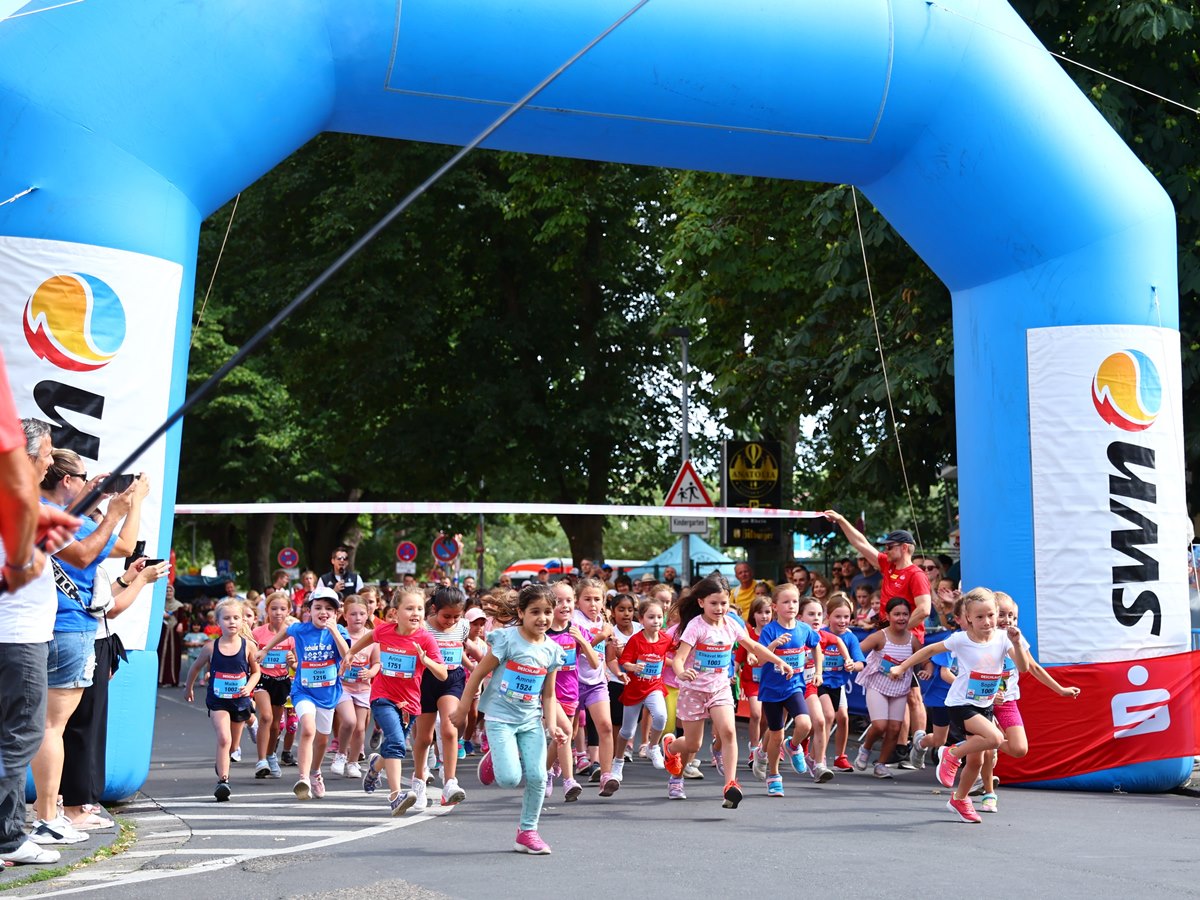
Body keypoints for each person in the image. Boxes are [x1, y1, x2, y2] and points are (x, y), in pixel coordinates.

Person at [30, 451, 145, 845]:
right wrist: (123, 508)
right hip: (68, 628)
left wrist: (96, 502)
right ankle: (49, 815)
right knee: (51, 727)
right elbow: (89, 553)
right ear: (65, 481)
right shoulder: (57, 517)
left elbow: (108, 546)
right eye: (81, 478)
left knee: (38, 725)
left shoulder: (49, 511)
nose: (86, 483)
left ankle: (45, 811)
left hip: (44, 628)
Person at [0, 417, 79, 867]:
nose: (50, 461)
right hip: (17, 640)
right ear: (27, 455)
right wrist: (119, 508)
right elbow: (86, 553)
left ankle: (8, 836)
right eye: (47, 453)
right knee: (22, 736)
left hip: (19, 636)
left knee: (9, 736)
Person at [888, 587, 1029, 823]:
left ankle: (960, 799)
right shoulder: (961, 640)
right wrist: (902, 667)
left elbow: (1023, 668)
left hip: (985, 704)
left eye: (991, 615)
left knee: (977, 760)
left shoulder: (1004, 638)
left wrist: (1015, 643)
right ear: (969, 619)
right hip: (961, 703)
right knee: (994, 739)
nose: (987, 621)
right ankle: (951, 753)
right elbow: (930, 649)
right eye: (980, 617)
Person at [450, 583, 567, 855]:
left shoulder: (551, 650)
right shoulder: (507, 640)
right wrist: (463, 708)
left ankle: (527, 832)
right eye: (535, 611)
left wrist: (552, 726)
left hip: (530, 720)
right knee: (509, 779)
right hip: (500, 718)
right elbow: (478, 674)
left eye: (548, 612)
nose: (543, 618)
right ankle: (494, 759)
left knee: (538, 776)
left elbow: (548, 696)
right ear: (521, 612)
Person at [660, 576, 793, 808]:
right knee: (692, 745)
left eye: (723, 603)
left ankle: (731, 785)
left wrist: (777, 661)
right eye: (714, 603)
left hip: (720, 688)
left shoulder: (732, 624)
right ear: (701, 603)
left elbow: (754, 646)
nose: (720, 608)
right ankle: (672, 754)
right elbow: (679, 658)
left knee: (729, 733)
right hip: (693, 690)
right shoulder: (695, 627)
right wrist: (681, 673)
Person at [825, 510, 930, 759]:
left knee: (912, 694)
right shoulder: (889, 566)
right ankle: (901, 746)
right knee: (900, 691)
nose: (886, 550)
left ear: (905, 548)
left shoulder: (916, 575)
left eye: (890, 546)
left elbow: (925, 609)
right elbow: (861, 543)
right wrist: (841, 520)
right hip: (887, 636)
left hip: (907, 639)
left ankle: (918, 744)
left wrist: (898, 630)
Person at [972, 591, 1079, 811]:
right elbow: (968, 675)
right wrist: (988, 694)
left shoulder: (1016, 640)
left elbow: (1033, 668)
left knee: (1019, 748)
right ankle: (988, 793)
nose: (1007, 620)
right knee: (989, 750)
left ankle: (974, 746)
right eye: (1001, 614)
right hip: (984, 703)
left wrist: (1060, 690)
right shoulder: (981, 640)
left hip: (1008, 702)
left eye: (1012, 616)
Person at [350, 589, 446, 815]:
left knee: (394, 745)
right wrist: (350, 653)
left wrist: (426, 661)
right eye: (410, 608)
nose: (416, 613)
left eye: (420, 609)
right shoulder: (384, 630)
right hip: (382, 697)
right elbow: (368, 637)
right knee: (395, 742)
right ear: (395, 612)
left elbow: (442, 673)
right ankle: (395, 795)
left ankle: (375, 766)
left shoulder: (425, 638)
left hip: (409, 705)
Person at [257, 586, 350, 800]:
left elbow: (347, 655)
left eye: (328, 608)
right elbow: (285, 632)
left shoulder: (340, 632)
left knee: (322, 740)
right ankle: (303, 779)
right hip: (303, 690)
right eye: (318, 607)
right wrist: (265, 649)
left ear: (336, 613)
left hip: (328, 694)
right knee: (308, 729)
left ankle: (315, 772)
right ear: (309, 610)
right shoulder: (301, 629)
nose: (323, 612)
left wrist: (334, 630)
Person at [185, 598, 260, 800]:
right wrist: (189, 687)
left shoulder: (248, 647)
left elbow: (256, 672)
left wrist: (249, 687)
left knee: (233, 746)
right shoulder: (210, 648)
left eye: (236, 618)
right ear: (218, 622)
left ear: (243, 621)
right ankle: (223, 782)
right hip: (218, 700)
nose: (232, 622)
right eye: (226, 618)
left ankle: (223, 762)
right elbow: (195, 668)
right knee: (223, 738)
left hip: (240, 701)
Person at [410, 586, 474, 808]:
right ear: (434, 609)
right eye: (447, 616)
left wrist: (478, 664)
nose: (451, 621)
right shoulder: (423, 627)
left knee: (449, 728)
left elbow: (462, 649)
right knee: (425, 738)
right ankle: (418, 780)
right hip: (427, 680)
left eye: (457, 616)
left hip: (452, 679)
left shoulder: (463, 627)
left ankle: (450, 783)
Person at [751, 584, 818, 797]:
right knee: (775, 735)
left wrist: (819, 671)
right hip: (771, 690)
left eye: (795, 601)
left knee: (805, 723)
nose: (791, 606)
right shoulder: (770, 630)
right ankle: (773, 775)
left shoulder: (803, 629)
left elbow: (816, 645)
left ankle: (794, 745)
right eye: (786, 602)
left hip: (794, 686)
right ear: (775, 606)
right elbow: (760, 658)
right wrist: (774, 644)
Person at [853, 597, 923, 779]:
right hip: (877, 686)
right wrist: (854, 662)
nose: (901, 618)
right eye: (897, 614)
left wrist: (928, 670)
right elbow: (857, 651)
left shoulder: (912, 640)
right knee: (880, 725)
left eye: (905, 614)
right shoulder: (880, 637)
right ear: (888, 616)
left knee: (894, 728)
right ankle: (865, 748)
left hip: (900, 689)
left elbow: (925, 658)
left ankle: (881, 765)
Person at [573, 577, 619, 796]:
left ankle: (606, 775)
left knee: (606, 727)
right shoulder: (573, 620)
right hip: (572, 681)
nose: (592, 604)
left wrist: (612, 645)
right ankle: (553, 772)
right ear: (577, 601)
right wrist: (600, 636)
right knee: (567, 732)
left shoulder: (604, 621)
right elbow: (576, 650)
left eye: (597, 599)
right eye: (587, 599)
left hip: (597, 681)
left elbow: (606, 654)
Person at [614, 597, 670, 775]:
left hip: (654, 686)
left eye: (660, 617)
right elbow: (624, 661)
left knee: (661, 716)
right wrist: (632, 667)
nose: (656, 621)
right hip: (634, 688)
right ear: (641, 619)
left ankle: (653, 747)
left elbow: (682, 646)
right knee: (627, 730)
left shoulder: (665, 639)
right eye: (651, 617)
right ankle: (618, 761)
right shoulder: (636, 640)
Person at [333, 595, 378, 781]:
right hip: (343, 686)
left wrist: (370, 673)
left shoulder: (373, 638)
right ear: (345, 615)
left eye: (361, 613)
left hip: (364, 688)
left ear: (367, 615)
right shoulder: (339, 634)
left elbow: (377, 663)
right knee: (349, 721)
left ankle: (353, 762)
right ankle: (341, 754)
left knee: (360, 728)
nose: (357, 617)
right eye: (353, 614)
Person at [251, 592, 294, 779]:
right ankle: (261, 761)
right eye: (273, 608)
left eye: (282, 609)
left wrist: (293, 662)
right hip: (262, 678)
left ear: (289, 611)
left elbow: (298, 663)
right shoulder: (258, 633)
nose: (278, 612)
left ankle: (270, 755)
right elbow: (250, 657)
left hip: (281, 680)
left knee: (276, 725)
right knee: (266, 717)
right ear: (266, 610)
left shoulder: (292, 634)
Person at [820, 595, 865, 771]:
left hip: (838, 684)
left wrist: (852, 665)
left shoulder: (851, 638)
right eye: (838, 616)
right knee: (827, 717)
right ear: (828, 616)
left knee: (844, 718)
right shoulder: (821, 634)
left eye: (846, 617)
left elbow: (861, 663)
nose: (842, 621)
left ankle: (840, 757)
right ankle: (820, 758)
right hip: (819, 682)